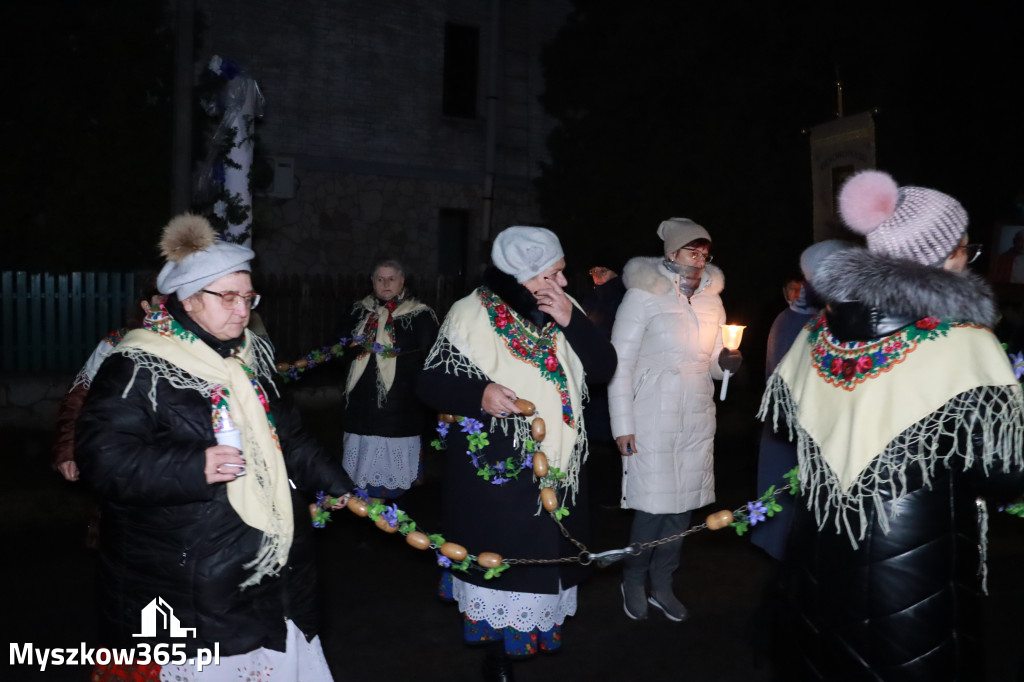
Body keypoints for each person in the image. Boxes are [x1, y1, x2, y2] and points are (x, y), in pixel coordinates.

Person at [758, 170, 1024, 680]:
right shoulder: (963, 344)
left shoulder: (817, 332)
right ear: (944, 257)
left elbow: (799, 427)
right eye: (967, 248)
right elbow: (1005, 475)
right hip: (918, 569)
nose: (969, 259)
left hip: (822, 553)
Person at [77, 213, 355, 681]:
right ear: (188, 298)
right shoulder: (139, 364)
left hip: (267, 567)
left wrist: (334, 481)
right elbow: (102, 458)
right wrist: (193, 466)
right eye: (226, 296)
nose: (242, 310)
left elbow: (288, 436)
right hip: (187, 576)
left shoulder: (248, 359)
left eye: (248, 297)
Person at [417, 226, 616, 681]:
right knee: (506, 564)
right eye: (554, 274)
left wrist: (574, 322)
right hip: (499, 474)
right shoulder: (471, 313)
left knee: (546, 561)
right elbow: (430, 382)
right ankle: (498, 658)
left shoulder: (563, 310)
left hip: (560, 465)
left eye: (562, 273)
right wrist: (479, 392)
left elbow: (603, 369)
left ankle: (527, 640)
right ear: (524, 276)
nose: (564, 283)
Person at [608, 217, 741, 622]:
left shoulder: (711, 299)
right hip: (650, 415)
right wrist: (622, 425)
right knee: (651, 507)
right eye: (692, 251)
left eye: (705, 252)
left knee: (683, 508)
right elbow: (620, 365)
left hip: (697, 415)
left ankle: (663, 582)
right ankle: (633, 579)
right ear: (672, 253)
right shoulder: (642, 296)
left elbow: (717, 364)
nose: (699, 259)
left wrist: (729, 362)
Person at [749, 239, 847, 561]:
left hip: (814, 431)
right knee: (784, 500)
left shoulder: (831, 321)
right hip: (790, 431)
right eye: (793, 288)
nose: (797, 294)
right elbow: (783, 386)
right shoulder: (792, 323)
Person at [339, 258, 438, 500]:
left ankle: (389, 514)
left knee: (391, 482)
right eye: (379, 278)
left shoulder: (419, 315)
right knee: (361, 471)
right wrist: (352, 347)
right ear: (372, 282)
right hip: (361, 405)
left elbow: (431, 357)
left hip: (399, 404)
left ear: (402, 281)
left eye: (391, 278)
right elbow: (339, 346)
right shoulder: (359, 311)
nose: (385, 283)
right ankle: (367, 513)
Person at [51, 282, 166, 483]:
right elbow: (79, 396)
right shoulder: (117, 343)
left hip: (181, 464)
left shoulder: (201, 344)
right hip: (122, 461)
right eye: (163, 298)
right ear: (147, 306)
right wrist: (68, 449)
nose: (170, 305)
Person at [581, 264, 627, 509]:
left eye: (603, 270)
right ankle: (594, 494)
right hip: (591, 377)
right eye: (592, 271)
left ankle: (614, 494)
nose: (597, 275)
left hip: (611, 373)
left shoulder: (621, 297)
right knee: (591, 440)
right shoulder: (591, 297)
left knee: (614, 438)